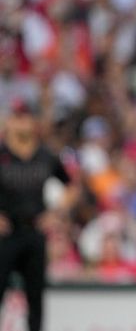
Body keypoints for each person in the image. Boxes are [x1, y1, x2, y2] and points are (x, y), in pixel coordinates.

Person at [0, 100, 79, 331]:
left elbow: (72, 185)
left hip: (34, 231)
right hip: (6, 234)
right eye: (17, 117)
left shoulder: (45, 155)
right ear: (9, 122)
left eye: (25, 117)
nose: (21, 124)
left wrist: (56, 214)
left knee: (36, 297)